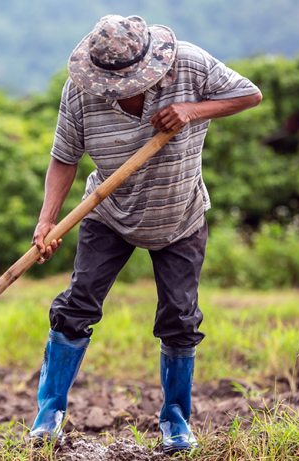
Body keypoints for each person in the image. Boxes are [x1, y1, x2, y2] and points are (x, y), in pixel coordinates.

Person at [29, 15, 262, 454]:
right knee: (77, 306)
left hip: (180, 215)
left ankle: (176, 422)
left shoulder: (190, 65)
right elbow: (64, 157)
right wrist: (47, 221)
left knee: (179, 318)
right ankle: (48, 417)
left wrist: (192, 110)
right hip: (108, 211)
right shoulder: (80, 92)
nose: (118, 90)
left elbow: (249, 94)